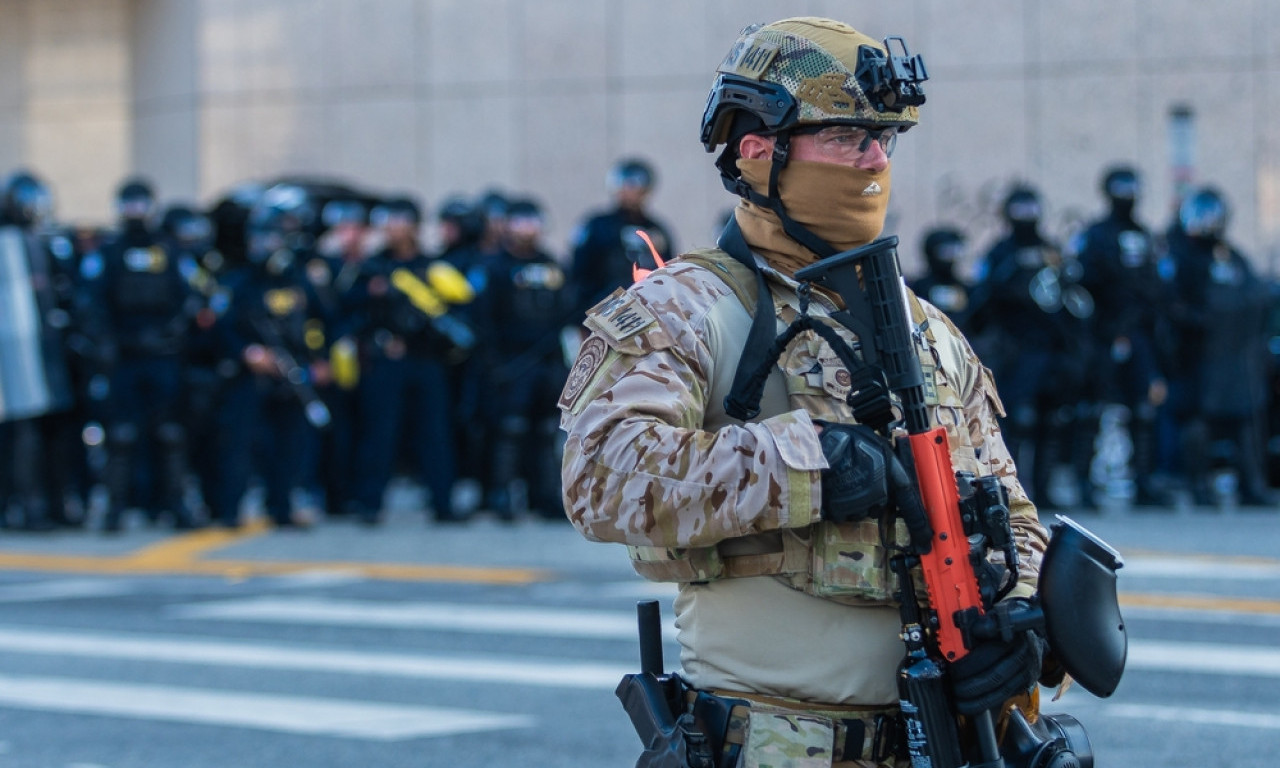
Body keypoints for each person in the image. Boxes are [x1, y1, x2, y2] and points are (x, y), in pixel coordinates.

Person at [559, 17, 1051, 767]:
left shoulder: (928, 330)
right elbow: (598, 475)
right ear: (759, 152)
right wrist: (808, 465)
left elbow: (1012, 512)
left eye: (884, 138)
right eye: (849, 137)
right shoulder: (686, 307)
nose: (876, 159)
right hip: (772, 745)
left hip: (945, 743)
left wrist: (1022, 623)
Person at [81, 178, 201, 532]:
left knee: (170, 433)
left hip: (164, 356)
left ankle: (176, 504)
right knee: (121, 435)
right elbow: (91, 302)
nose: (135, 211)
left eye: (140, 204)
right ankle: (115, 508)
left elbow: (191, 297)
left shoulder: (169, 251)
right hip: (124, 356)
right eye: (129, 204)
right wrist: (105, 342)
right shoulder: (109, 252)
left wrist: (174, 333)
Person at [346, 196, 474, 525]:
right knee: (379, 433)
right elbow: (348, 311)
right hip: (386, 361)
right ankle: (369, 503)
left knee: (434, 433)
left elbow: (457, 311)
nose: (393, 228)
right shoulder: (372, 268)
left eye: (400, 221)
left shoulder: (433, 267)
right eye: (388, 221)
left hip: (427, 360)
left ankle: (443, 503)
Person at [969, 185, 1096, 508]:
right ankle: (1012, 490)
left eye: (1031, 209)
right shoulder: (1000, 253)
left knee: (1052, 420)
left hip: (1052, 350)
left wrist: (1072, 347)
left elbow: (1069, 297)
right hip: (1016, 351)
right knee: (1018, 420)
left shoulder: (1051, 250)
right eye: (1020, 209)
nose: (1027, 216)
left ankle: (1044, 489)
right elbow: (982, 298)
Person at [1069, 165, 1170, 507]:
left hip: (1140, 334)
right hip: (1104, 334)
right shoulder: (1095, 235)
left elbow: (1156, 284)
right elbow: (1083, 283)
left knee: (1143, 408)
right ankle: (1084, 482)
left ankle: (1143, 481)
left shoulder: (1144, 235)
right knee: (1094, 407)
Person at [1165, 187, 1272, 506]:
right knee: (1199, 422)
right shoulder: (1180, 256)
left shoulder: (1231, 256)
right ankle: (1199, 486)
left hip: (1236, 357)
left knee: (1245, 419)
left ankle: (1251, 485)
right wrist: (1201, 321)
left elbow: (1256, 293)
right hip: (1199, 356)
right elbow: (1171, 305)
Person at [478, 198, 573, 521]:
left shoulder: (552, 265)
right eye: (520, 221)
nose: (527, 229)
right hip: (511, 362)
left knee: (547, 430)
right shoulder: (496, 266)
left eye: (533, 221)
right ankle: (503, 494)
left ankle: (545, 496)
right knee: (511, 429)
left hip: (548, 360)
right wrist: (493, 362)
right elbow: (485, 319)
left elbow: (567, 309)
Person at [0, 169, 76, 531]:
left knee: (54, 431)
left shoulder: (47, 243)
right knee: (21, 433)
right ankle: (24, 506)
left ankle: (56, 503)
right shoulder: (10, 245)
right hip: (17, 356)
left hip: (46, 350)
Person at [569, 157, 675, 317]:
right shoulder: (598, 226)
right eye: (626, 186)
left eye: (637, 187)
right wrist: (581, 315)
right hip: (604, 311)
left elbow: (669, 272)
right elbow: (579, 274)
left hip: (649, 310)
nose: (631, 193)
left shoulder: (657, 230)